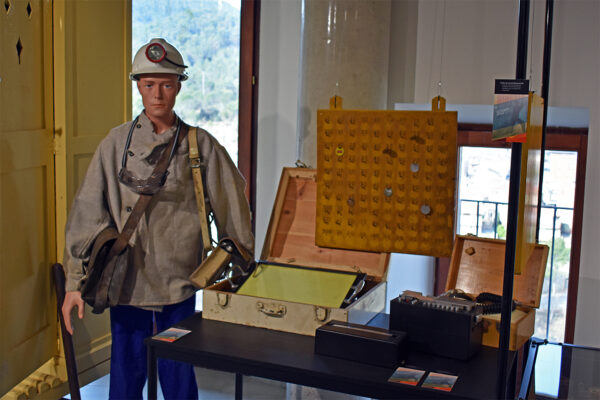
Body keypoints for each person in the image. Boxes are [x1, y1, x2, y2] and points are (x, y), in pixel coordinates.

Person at [61, 38, 254, 399]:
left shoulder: (200, 145)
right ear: (138, 86)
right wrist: (74, 281)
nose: (158, 95)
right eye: (149, 84)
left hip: (177, 285)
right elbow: (87, 212)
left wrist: (239, 270)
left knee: (178, 377)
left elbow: (233, 208)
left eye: (166, 84)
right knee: (126, 377)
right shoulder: (115, 144)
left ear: (178, 86)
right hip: (126, 282)